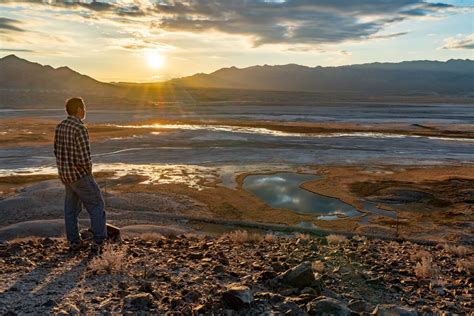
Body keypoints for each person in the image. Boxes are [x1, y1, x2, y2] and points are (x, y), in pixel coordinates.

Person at [53, 97, 107, 252]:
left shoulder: (61, 126)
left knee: (70, 210)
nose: (85, 111)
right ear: (78, 110)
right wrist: (88, 173)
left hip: (66, 175)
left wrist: (64, 169)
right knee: (97, 205)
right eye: (84, 108)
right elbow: (84, 158)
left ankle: (74, 242)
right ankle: (99, 242)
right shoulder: (80, 128)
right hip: (80, 176)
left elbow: (56, 151)